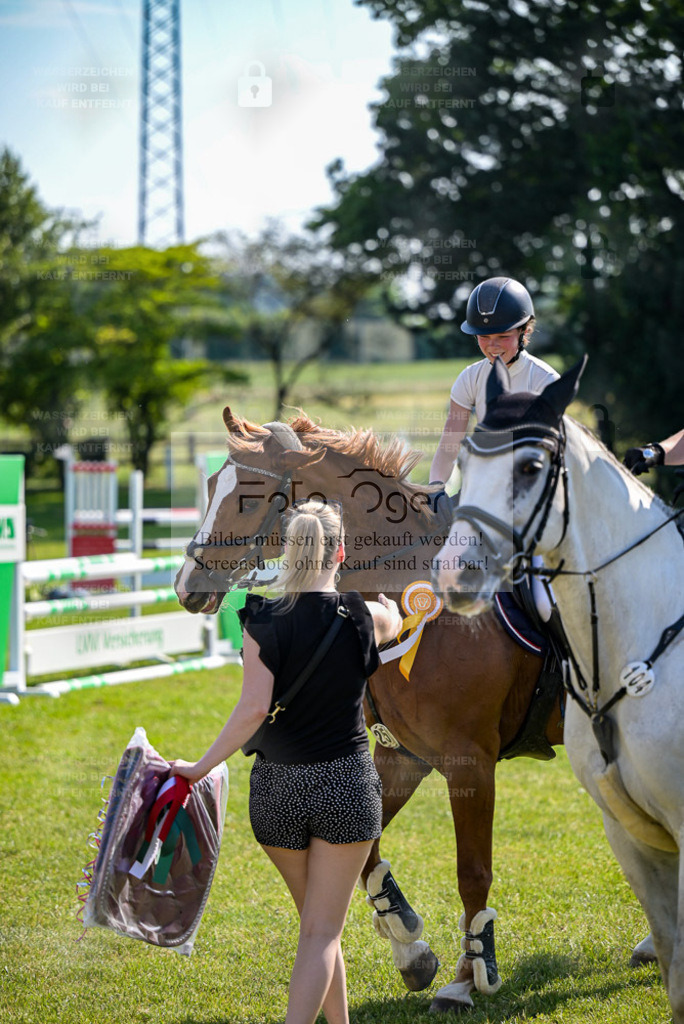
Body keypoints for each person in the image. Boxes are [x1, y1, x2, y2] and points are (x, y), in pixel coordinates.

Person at [171, 499, 402, 1024]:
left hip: (277, 793)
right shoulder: (364, 616)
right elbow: (394, 616)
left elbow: (254, 708)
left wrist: (200, 767)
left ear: (288, 552)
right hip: (345, 788)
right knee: (322, 932)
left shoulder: (261, 619)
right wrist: (395, 603)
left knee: (317, 929)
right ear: (339, 552)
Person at [429, 276, 560, 494]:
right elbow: (449, 446)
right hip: (485, 486)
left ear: (524, 331)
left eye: (502, 336)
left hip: (532, 489)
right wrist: (435, 487)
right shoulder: (470, 378)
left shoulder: (545, 381)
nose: (493, 345)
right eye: (484, 336)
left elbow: (551, 455)